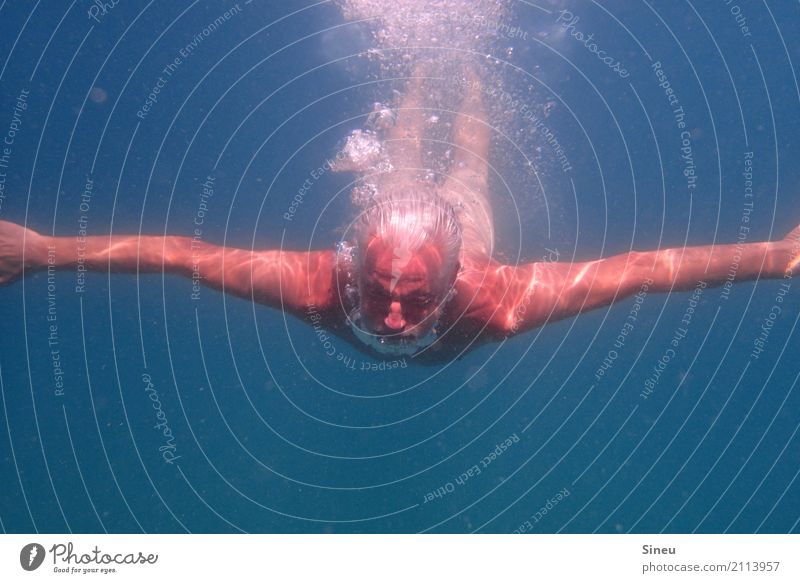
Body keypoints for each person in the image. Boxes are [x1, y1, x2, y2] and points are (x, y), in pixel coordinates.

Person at [1, 66, 799, 363]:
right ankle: (419, 74)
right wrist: (43, 249)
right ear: (358, 256)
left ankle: (475, 76)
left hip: (458, 216)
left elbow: (639, 274)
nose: (388, 313)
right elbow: (180, 251)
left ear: (453, 281)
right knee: (402, 147)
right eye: (384, 286)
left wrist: (775, 255)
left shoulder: (496, 299)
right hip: (396, 210)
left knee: (468, 163)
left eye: (413, 299)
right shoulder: (324, 283)